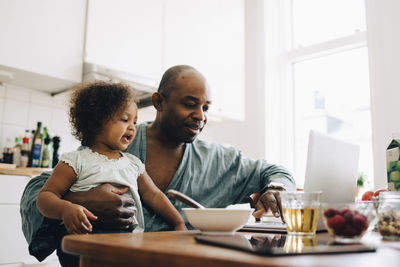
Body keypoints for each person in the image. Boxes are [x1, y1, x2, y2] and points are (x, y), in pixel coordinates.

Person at [20, 65, 296, 264]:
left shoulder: (219, 162)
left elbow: (272, 172)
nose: (200, 116)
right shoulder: (114, 145)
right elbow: (37, 189)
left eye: (206, 108)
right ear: (158, 102)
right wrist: (80, 201)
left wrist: (275, 188)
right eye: (190, 104)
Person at [34, 81, 186, 265]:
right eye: (124, 119)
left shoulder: (133, 164)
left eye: (134, 121)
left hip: (125, 242)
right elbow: (45, 196)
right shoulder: (76, 160)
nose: (132, 127)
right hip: (83, 242)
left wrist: (179, 223)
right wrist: (66, 209)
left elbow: (154, 195)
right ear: (96, 121)